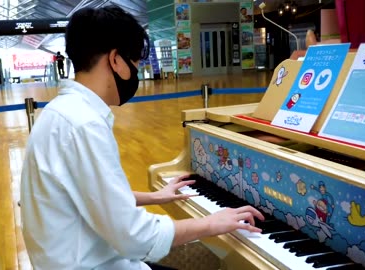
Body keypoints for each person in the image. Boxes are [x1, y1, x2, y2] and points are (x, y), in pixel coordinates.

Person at [20, 5, 264, 270]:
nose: (135, 72)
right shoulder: (84, 124)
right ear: (115, 60)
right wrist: (211, 223)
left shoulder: (60, 112)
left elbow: (90, 195)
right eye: (135, 63)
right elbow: (135, 238)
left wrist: (154, 197)